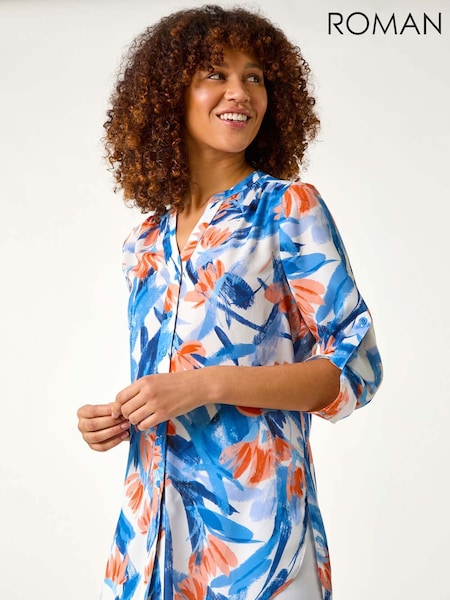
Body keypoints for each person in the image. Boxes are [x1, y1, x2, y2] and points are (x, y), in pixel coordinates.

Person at [77, 5, 383, 599]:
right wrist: (120, 417)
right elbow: (170, 378)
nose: (239, 92)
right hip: (150, 545)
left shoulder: (288, 208)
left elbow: (356, 368)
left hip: (258, 545)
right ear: (169, 95)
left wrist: (207, 385)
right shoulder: (143, 244)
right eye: (215, 74)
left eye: (255, 77)